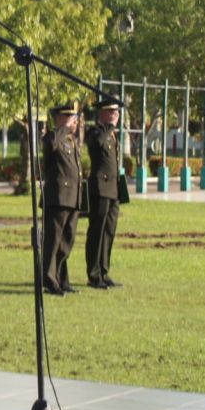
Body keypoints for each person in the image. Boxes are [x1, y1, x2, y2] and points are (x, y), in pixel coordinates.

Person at [41, 101, 83, 296]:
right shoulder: (53, 137)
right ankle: (49, 280)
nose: (72, 121)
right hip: (57, 197)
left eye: (73, 117)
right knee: (53, 241)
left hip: (72, 197)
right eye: (68, 117)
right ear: (58, 119)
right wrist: (63, 128)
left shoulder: (71, 140)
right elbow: (50, 145)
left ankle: (62, 278)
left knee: (67, 240)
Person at [85, 97, 123, 289]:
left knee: (109, 232)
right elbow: (97, 142)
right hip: (100, 188)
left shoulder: (113, 134)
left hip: (114, 189)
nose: (115, 116)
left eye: (116, 113)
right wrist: (109, 127)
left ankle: (104, 271)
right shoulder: (95, 131)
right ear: (102, 114)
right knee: (97, 232)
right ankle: (93, 275)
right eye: (111, 112)